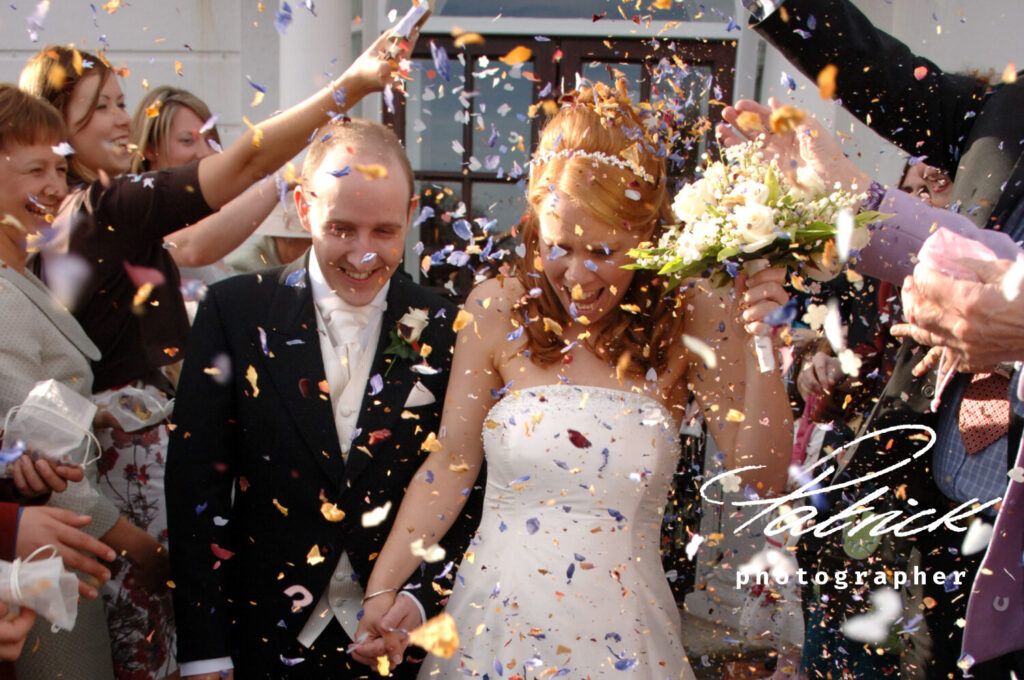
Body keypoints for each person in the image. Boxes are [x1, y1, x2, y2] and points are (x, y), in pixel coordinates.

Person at [353, 81, 793, 679]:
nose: (578, 275)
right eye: (559, 246)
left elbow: (761, 480)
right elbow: (451, 465)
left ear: (648, 236)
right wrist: (382, 591)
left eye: (605, 251)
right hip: (495, 630)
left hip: (627, 642)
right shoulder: (496, 308)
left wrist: (763, 345)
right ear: (535, 224)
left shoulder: (692, 316)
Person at [165, 117, 482, 680]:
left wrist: (419, 600)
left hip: (393, 646)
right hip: (260, 642)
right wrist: (204, 651)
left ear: (410, 216)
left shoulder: (446, 325)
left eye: (384, 232)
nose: (363, 255)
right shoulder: (234, 312)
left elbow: (467, 482)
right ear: (305, 209)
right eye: (341, 228)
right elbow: (196, 490)